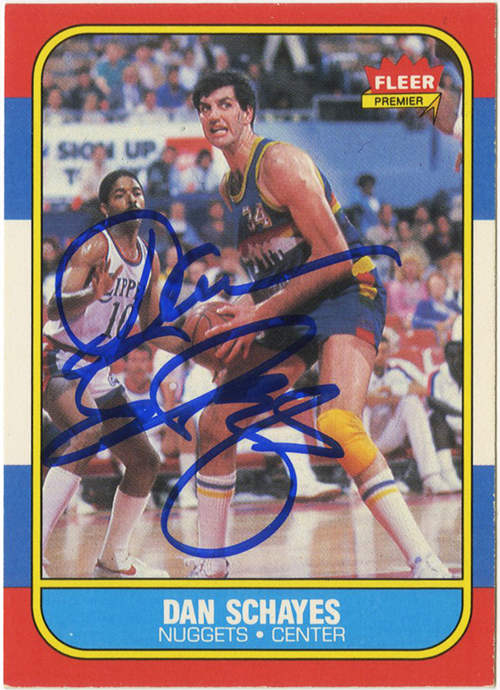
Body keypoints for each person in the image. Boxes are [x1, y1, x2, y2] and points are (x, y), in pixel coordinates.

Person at [186, 70, 451, 579]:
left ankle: (425, 559)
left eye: (224, 104)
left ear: (248, 113)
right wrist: (240, 320)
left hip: (348, 288)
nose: (213, 115)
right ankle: (210, 565)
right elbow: (276, 266)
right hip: (295, 302)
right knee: (216, 422)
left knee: (338, 424)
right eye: (204, 108)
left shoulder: (280, 163)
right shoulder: (230, 186)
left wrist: (258, 314)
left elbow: (334, 257)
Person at [42, 169, 174, 579]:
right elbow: (52, 307)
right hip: (58, 356)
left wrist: (204, 345)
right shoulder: (94, 246)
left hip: (95, 367)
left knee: (145, 461)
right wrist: (92, 294)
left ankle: (113, 561)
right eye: (120, 194)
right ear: (105, 207)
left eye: (137, 191)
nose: (131, 199)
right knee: (87, 431)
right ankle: (29, 550)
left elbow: (154, 328)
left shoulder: (149, 259)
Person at [364, 336, 454, 494]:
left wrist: (393, 390)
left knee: (411, 401)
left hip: (388, 435)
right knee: (361, 407)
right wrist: (389, 399)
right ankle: (361, 479)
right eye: (377, 352)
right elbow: (359, 398)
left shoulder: (398, 367)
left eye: (384, 352)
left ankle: (431, 477)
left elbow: (425, 388)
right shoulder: (359, 370)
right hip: (362, 440)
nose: (380, 356)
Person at [427, 341, 463, 492]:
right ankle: (448, 473)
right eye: (451, 356)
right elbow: (432, 401)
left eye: (460, 356)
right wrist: (461, 414)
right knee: (436, 417)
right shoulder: (436, 374)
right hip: (448, 427)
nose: (456, 360)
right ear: (446, 358)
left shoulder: (477, 372)